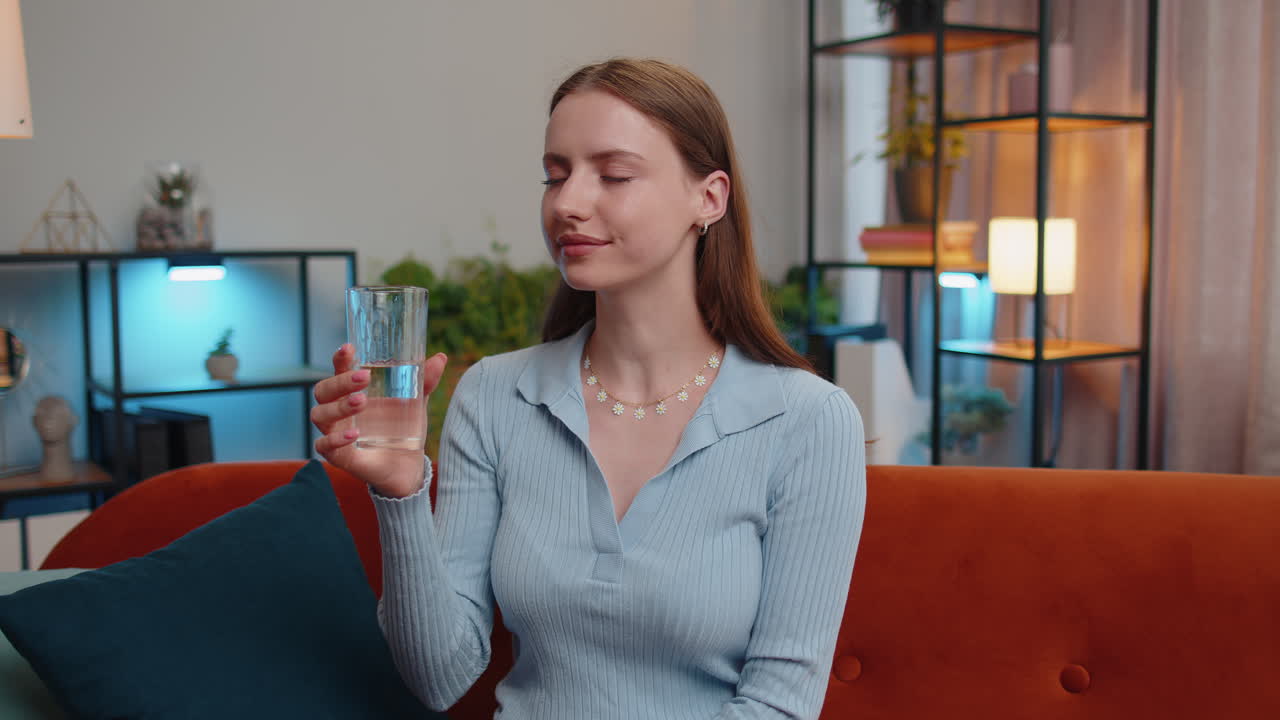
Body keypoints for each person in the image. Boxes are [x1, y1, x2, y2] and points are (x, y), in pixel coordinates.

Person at [312, 58, 866, 719]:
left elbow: (778, 707)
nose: (567, 203)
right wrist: (399, 494)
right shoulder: (493, 395)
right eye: (555, 175)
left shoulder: (807, 421)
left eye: (614, 174)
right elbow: (441, 677)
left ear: (708, 198)